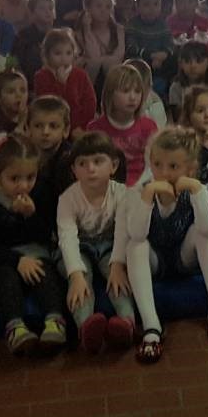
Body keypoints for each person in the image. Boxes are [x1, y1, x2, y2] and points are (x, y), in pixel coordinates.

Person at [125, 127, 208, 363]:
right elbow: (136, 234)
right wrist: (148, 195)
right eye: (157, 165)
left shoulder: (197, 189)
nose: (163, 173)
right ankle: (151, 326)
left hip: (184, 258)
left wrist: (197, 189)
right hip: (155, 262)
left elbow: (207, 228)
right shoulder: (141, 191)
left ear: (189, 168)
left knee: (203, 233)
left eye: (173, 166)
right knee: (135, 246)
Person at [0, 134, 67, 355]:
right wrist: (17, 260)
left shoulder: (41, 192)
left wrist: (31, 215)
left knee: (45, 274)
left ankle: (54, 321)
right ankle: (15, 328)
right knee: (5, 278)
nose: (24, 185)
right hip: (4, 258)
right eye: (14, 179)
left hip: (37, 253)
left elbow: (46, 235)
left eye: (30, 177)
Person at [56, 131, 134, 353]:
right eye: (83, 163)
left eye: (98, 161)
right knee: (82, 281)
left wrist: (117, 264)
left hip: (110, 245)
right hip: (80, 247)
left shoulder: (122, 193)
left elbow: (122, 232)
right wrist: (76, 274)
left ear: (113, 165)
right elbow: (67, 237)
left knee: (117, 279)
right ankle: (86, 328)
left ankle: (127, 323)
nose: (90, 169)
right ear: (74, 170)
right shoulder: (67, 199)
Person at [87, 64, 158, 186]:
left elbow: (154, 165)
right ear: (110, 94)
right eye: (125, 91)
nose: (133, 97)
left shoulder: (149, 127)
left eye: (137, 91)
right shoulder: (95, 128)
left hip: (141, 186)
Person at [33, 29, 96, 139]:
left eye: (68, 53)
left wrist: (80, 126)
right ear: (47, 55)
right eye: (58, 53)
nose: (64, 58)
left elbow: (90, 102)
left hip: (80, 127)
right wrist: (61, 84)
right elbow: (48, 106)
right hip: (52, 128)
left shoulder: (80, 75)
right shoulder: (41, 76)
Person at [77, 0, 126, 94]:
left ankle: (113, 97)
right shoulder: (81, 32)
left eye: (108, 7)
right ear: (88, 9)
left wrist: (101, 60)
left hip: (112, 72)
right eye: (99, 6)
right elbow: (94, 55)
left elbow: (119, 55)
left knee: (109, 64)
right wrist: (87, 30)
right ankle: (86, 96)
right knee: (93, 64)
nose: (103, 10)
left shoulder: (119, 30)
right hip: (92, 75)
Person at [179, 85, 208, 183]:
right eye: (200, 111)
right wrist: (205, 150)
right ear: (188, 115)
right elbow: (190, 174)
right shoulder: (184, 143)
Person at [13, 0, 56, 86]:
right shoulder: (23, 37)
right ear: (31, 14)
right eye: (42, 8)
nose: (48, 11)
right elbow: (17, 63)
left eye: (51, 8)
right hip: (31, 84)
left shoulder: (60, 36)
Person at [0, 70, 27, 137]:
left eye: (23, 90)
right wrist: (21, 124)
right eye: (11, 92)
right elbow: (6, 142)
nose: (19, 95)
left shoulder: (31, 113)